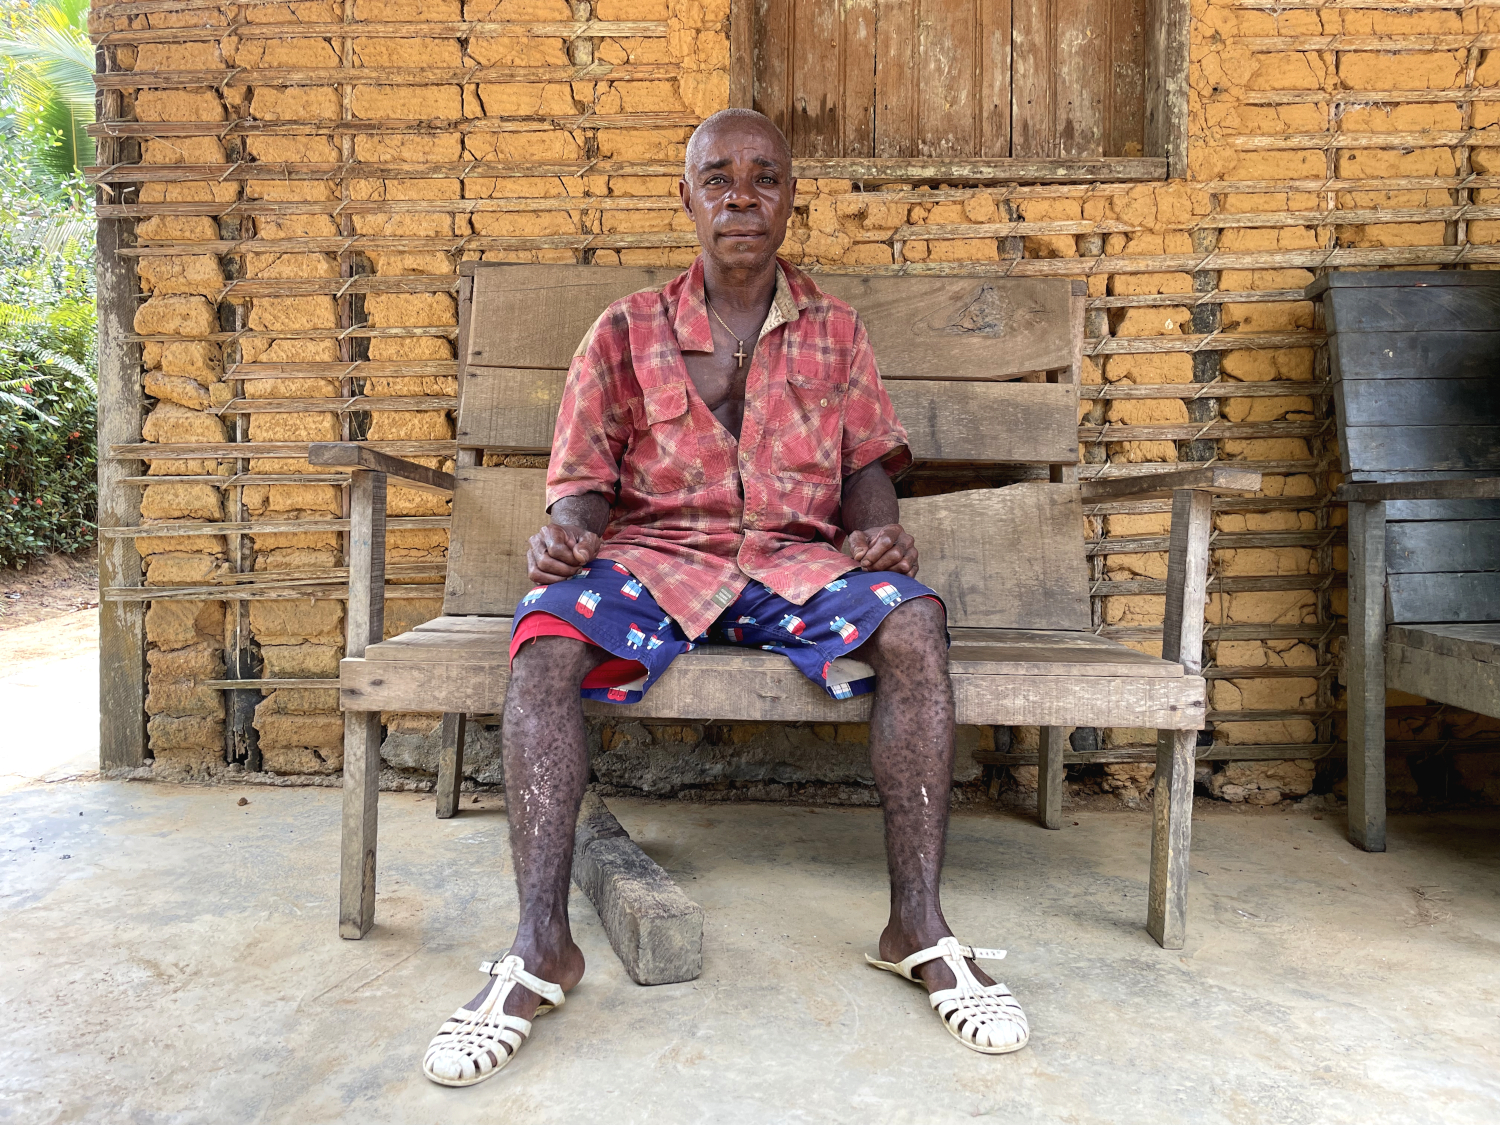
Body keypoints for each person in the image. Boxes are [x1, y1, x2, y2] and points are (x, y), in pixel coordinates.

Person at [421, 109, 1029, 1087]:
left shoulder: (835, 331)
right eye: (719, 178)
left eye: (764, 178)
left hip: (794, 561)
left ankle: (916, 922)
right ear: (688, 198)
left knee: (915, 620)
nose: (742, 196)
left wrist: (876, 527)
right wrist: (569, 531)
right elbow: (580, 475)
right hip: (661, 559)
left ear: (791, 197)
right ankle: (540, 946)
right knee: (542, 644)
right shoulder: (624, 332)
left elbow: (868, 461)